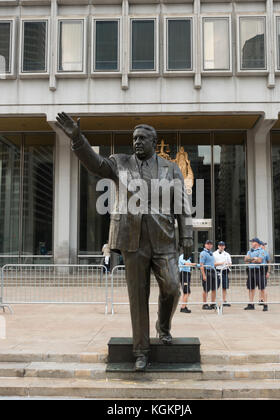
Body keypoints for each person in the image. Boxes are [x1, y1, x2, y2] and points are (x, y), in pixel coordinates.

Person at [56, 112, 193, 372]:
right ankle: (140, 351)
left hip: (164, 239)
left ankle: (163, 326)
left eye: (142, 138)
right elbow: (95, 164)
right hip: (132, 239)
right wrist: (77, 139)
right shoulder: (120, 163)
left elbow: (183, 203)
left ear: (154, 142)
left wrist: (186, 234)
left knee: (173, 288)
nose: (137, 142)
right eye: (134, 138)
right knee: (137, 298)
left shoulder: (170, 167)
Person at [244, 238, 264, 310]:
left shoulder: (261, 251)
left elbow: (259, 260)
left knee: (261, 288)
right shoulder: (250, 251)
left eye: (253, 242)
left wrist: (251, 259)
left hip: (258, 270)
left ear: (257, 243)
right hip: (250, 270)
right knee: (250, 288)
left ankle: (264, 303)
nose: (251, 243)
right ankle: (251, 303)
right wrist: (254, 259)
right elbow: (245, 260)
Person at [200, 240, 219, 310]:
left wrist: (223, 263)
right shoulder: (203, 253)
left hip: (213, 272)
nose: (209, 245)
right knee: (206, 289)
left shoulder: (211, 253)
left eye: (210, 244)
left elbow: (213, 263)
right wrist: (203, 275)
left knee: (214, 289)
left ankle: (212, 303)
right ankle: (204, 304)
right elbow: (201, 265)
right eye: (207, 244)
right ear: (205, 245)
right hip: (206, 272)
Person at [213, 241, 232, 307]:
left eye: (222, 245)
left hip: (224, 271)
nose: (221, 247)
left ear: (224, 246)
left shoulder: (227, 254)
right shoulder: (214, 254)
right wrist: (221, 263)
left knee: (224, 287)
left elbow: (230, 263)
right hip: (217, 270)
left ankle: (224, 300)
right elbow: (213, 263)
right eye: (220, 245)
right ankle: (214, 301)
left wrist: (227, 264)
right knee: (215, 287)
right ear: (218, 246)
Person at [258, 240, 270, 312]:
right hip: (257, 269)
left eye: (264, 245)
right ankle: (261, 299)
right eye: (262, 245)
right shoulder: (257, 252)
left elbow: (268, 262)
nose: (263, 246)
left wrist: (268, 272)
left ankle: (265, 303)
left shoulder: (265, 253)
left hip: (263, 269)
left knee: (263, 287)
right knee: (260, 286)